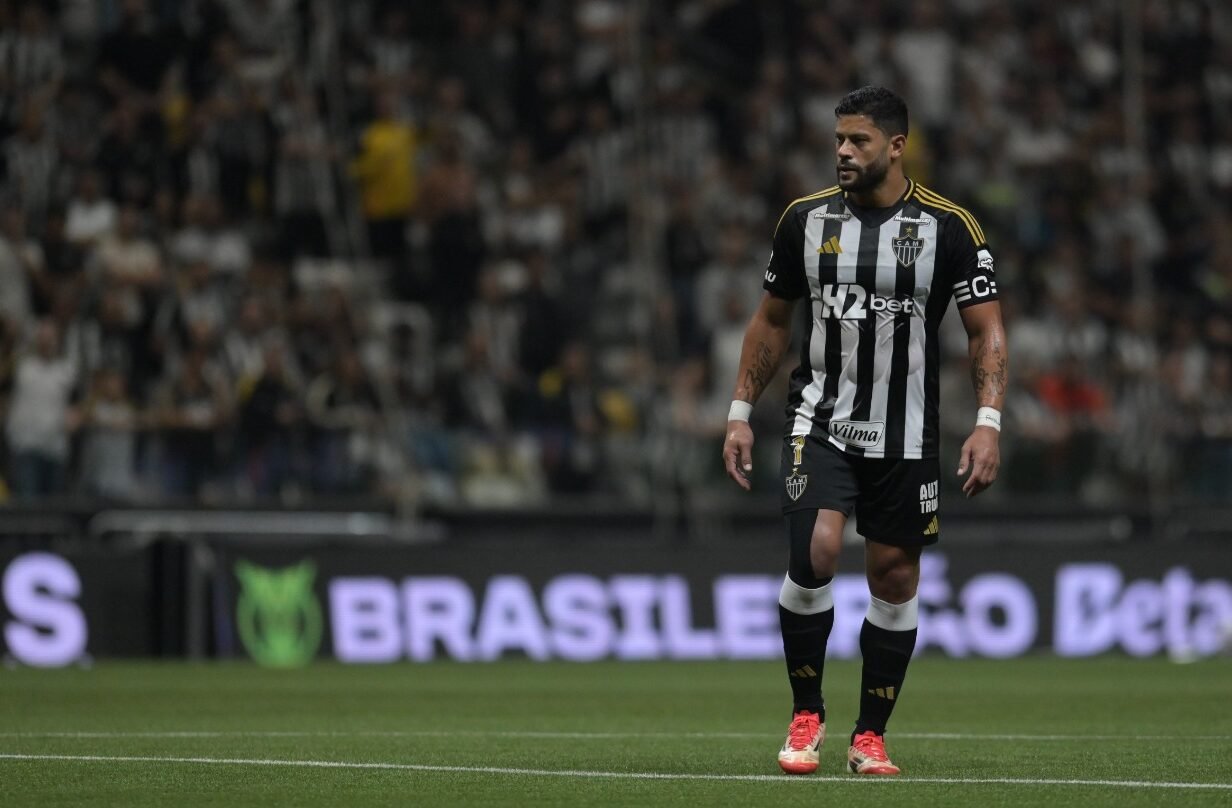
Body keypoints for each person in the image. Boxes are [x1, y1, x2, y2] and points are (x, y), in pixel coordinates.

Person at [720, 86, 1008, 776]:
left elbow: (986, 330)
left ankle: (869, 735)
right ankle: (806, 712)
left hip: (906, 432)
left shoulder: (950, 227)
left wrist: (988, 422)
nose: (844, 152)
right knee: (817, 548)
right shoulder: (804, 219)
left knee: (895, 575)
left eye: (859, 141)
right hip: (819, 419)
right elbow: (771, 321)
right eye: (839, 140)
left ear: (897, 146)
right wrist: (739, 411)